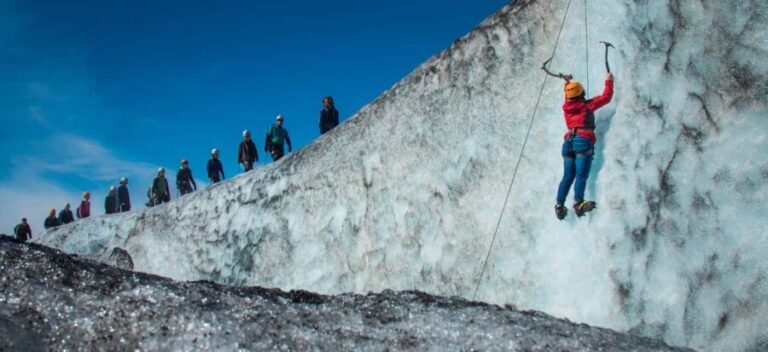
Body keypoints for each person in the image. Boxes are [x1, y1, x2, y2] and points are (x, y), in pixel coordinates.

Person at [555, 73, 614, 220]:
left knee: (568, 176)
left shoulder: (567, 107)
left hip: (568, 142)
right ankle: (579, 203)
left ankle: (559, 206)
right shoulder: (587, 106)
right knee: (581, 175)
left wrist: (566, 83)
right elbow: (606, 97)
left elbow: (569, 95)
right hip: (582, 141)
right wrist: (609, 81)